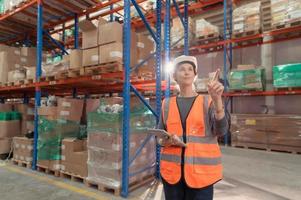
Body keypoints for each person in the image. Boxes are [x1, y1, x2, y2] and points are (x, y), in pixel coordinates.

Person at [157, 55, 229, 200]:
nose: (187, 72)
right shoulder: (166, 104)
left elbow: (221, 130)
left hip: (201, 176)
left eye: (190, 69)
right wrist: (166, 141)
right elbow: (160, 138)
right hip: (172, 176)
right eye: (182, 69)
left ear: (195, 75)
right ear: (174, 76)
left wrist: (217, 101)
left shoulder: (207, 102)